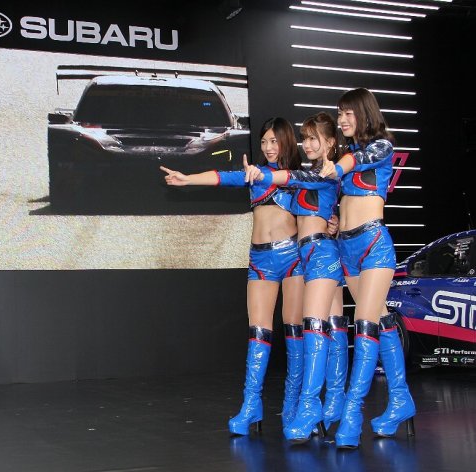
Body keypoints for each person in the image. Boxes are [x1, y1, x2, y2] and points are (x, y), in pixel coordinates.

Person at [161, 117, 306, 435]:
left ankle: (293, 405)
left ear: (286, 141)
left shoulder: (298, 176)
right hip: (260, 259)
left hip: (293, 257)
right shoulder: (255, 174)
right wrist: (187, 179)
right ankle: (251, 405)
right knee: (258, 332)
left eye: (274, 141)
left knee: (294, 330)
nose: (268, 147)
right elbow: (223, 177)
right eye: (264, 142)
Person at [321, 87, 416, 449]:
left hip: (374, 245)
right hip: (347, 248)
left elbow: (356, 161)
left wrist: (336, 167)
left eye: (348, 113)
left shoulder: (381, 147)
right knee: (382, 319)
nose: (342, 119)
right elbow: (345, 193)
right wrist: (335, 221)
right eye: (339, 113)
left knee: (365, 324)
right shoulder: (346, 154)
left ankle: (351, 415)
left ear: (364, 113)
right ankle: (400, 399)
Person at [245, 111, 345, 443]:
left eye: (314, 138)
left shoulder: (326, 173)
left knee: (321, 327)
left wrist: (336, 223)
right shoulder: (304, 174)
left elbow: (335, 198)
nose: (308, 144)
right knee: (321, 327)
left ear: (330, 142)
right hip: (302, 255)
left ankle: (323, 405)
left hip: (319, 255)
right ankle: (308, 407)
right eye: (306, 138)